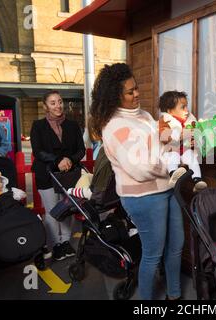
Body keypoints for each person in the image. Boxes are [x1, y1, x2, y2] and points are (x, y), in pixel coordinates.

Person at [90, 63, 184, 300]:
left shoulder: (144, 115)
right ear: (115, 96)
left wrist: (172, 139)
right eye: (130, 92)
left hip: (167, 187)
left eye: (136, 88)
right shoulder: (113, 126)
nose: (137, 94)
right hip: (143, 197)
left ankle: (174, 295)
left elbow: (161, 145)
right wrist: (171, 165)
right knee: (152, 253)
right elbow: (141, 168)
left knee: (177, 244)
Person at [30, 90, 85, 261]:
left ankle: (66, 242)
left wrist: (70, 159)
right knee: (52, 210)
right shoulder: (38, 126)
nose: (58, 105)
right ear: (45, 106)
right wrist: (58, 160)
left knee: (66, 209)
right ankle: (56, 244)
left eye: (60, 101)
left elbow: (81, 150)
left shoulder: (73, 125)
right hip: (46, 174)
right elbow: (38, 151)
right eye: (53, 102)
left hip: (68, 175)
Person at [158, 91, 207, 192]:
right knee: (173, 157)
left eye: (186, 106)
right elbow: (164, 137)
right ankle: (173, 175)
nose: (186, 110)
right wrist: (181, 135)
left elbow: (196, 135)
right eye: (182, 107)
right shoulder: (165, 120)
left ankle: (197, 180)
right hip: (171, 149)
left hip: (185, 149)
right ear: (170, 111)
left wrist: (195, 140)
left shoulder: (190, 120)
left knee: (192, 159)